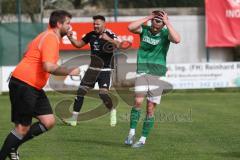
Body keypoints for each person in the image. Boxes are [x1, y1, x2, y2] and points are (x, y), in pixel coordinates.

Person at [0, 10, 80, 160]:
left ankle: (13, 148)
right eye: (68, 23)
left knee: (48, 121)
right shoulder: (50, 38)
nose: (70, 27)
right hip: (25, 85)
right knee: (22, 128)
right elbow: (48, 67)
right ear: (59, 24)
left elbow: (27, 53)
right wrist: (69, 71)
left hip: (32, 86)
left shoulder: (45, 35)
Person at [124, 10, 181, 148]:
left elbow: (178, 39)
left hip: (157, 74)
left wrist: (168, 22)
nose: (156, 23)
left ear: (163, 24)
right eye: (155, 20)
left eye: (159, 21)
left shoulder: (166, 33)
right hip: (142, 71)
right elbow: (130, 27)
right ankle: (131, 133)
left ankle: (142, 139)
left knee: (150, 109)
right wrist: (148, 16)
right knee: (138, 102)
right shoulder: (144, 30)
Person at [63, 15, 121, 127]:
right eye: (94, 24)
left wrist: (108, 39)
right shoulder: (91, 35)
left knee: (103, 94)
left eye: (98, 24)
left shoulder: (110, 34)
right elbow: (79, 44)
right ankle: (74, 120)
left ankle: (112, 111)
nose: (95, 26)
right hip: (92, 70)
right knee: (80, 92)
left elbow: (119, 45)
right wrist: (70, 38)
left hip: (105, 70)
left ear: (104, 24)